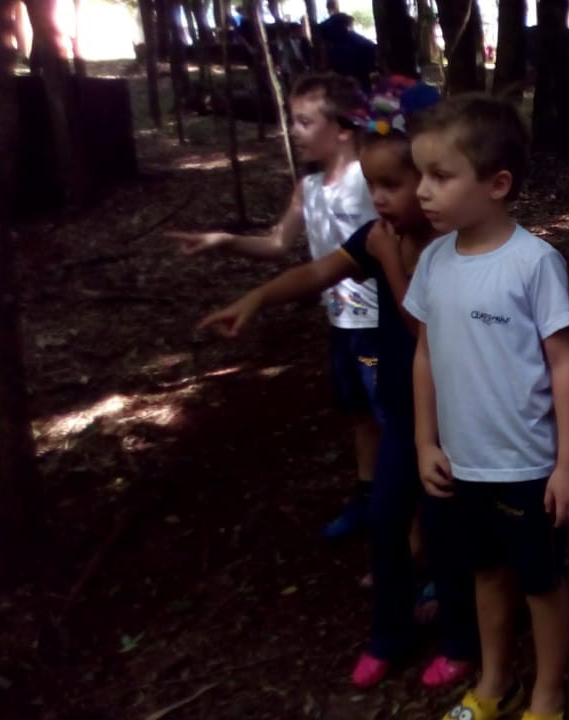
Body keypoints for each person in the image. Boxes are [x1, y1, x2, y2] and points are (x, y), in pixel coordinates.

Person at [196, 79, 479, 691]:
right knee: (385, 518)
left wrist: (392, 261)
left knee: (446, 530)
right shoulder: (380, 237)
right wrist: (257, 298)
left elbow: (422, 326)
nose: (380, 198)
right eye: (373, 185)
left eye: (393, 185)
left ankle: (460, 639)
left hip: (455, 419)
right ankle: (389, 633)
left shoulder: (448, 247)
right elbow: (318, 271)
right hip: (404, 416)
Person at [403, 94, 569, 720]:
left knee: (540, 582)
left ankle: (549, 693)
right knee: (484, 574)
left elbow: (565, 363)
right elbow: (424, 354)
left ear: (497, 184)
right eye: (420, 175)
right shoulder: (433, 261)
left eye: (440, 176)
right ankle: (496, 681)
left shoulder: (534, 263)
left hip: (526, 467)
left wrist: (568, 463)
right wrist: (425, 441)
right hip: (461, 465)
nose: (422, 191)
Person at [167, 74, 384, 543]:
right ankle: (368, 499)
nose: (294, 131)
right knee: (360, 414)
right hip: (342, 323)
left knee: (395, 420)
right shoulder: (309, 187)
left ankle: (412, 520)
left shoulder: (372, 178)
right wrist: (223, 241)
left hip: (383, 324)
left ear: (342, 128)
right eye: (293, 120)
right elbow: (278, 243)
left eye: (305, 122)